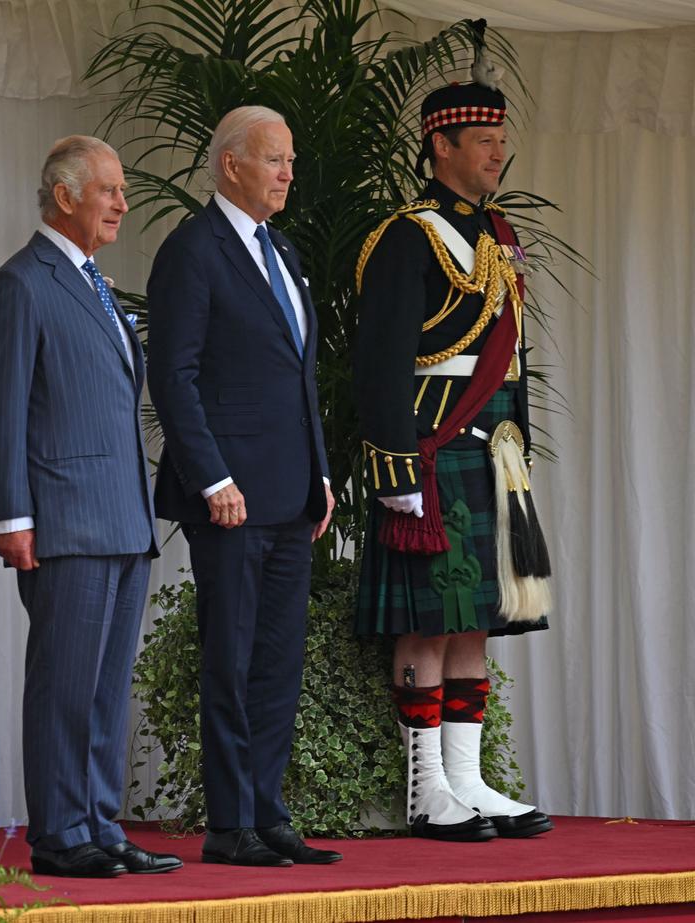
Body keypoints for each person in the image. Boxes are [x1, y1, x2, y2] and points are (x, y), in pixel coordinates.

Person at [353, 44, 553, 842]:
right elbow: (380, 360)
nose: (498, 152)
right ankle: (425, 788)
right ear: (441, 144)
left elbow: (514, 356)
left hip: (492, 451)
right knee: (429, 621)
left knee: (477, 619)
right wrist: (397, 464)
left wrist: (521, 451)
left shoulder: (498, 233)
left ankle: (467, 780)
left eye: (501, 140)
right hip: (429, 454)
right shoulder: (408, 237)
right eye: (483, 140)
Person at [0, 135, 180, 878]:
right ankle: (60, 833)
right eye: (110, 190)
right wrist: (11, 517)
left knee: (105, 686)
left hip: (122, 518)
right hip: (64, 520)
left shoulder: (95, 284)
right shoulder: (21, 285)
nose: (123, 203)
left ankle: (98, 821)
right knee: (65, 681)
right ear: (65, 196)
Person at [147, 106, 341, 868]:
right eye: (275, 159)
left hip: (292, 495)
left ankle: (268, 811)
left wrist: (323, 472)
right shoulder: (192, 251)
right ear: (231, 164)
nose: (290, 172)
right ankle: (229, 824)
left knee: (277, 660)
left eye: (290, 159)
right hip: (229, 498)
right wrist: (213, 475)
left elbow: (299, 376)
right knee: (229, 659)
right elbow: (174, 375)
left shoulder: (284, 251)